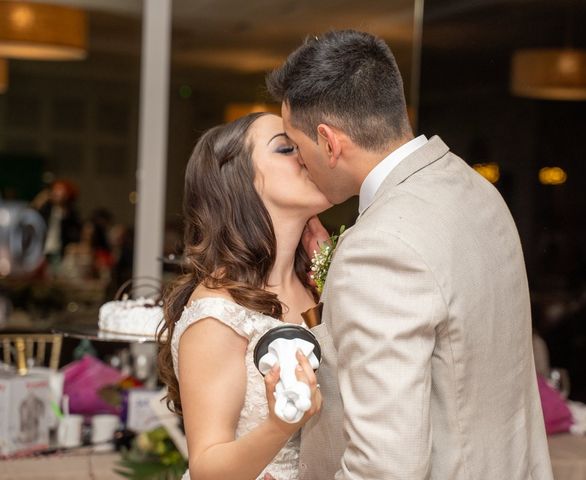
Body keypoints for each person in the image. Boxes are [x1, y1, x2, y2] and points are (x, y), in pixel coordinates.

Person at [267, 30, 554, 479]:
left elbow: (386, 465)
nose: (301, 163)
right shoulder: (477, 190)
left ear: (328, 142)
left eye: (297, 147)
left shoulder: (377, 248)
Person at [156, 112, 328, 480]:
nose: (306, 155)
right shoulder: (218, 311)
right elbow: (207, 467)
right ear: (240, 184)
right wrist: (280, 426)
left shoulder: (317, 284)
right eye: (286, 148)